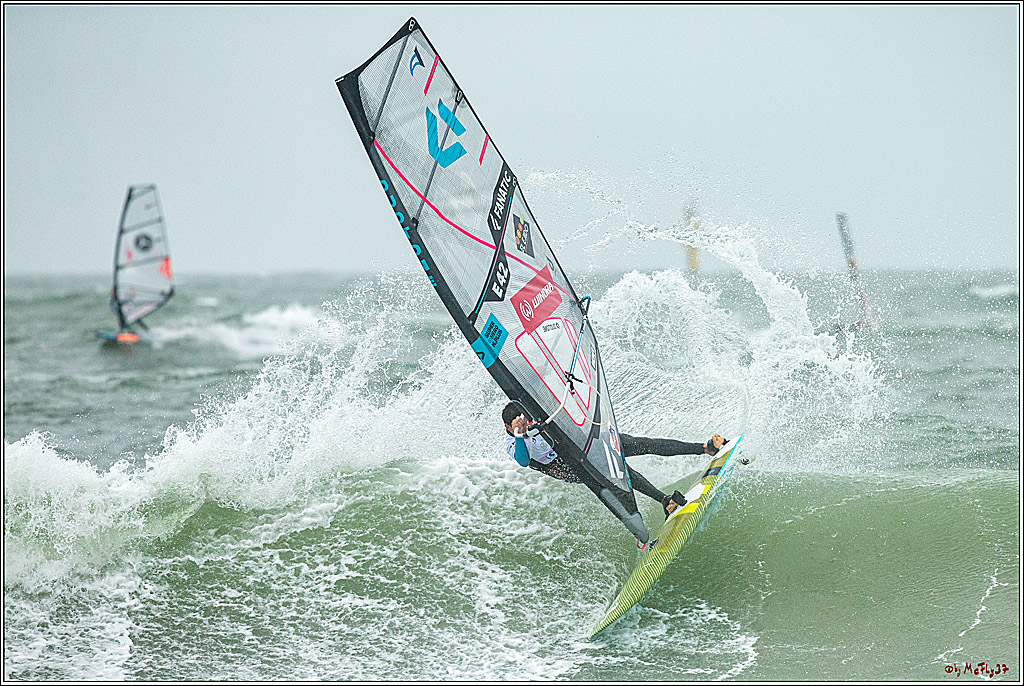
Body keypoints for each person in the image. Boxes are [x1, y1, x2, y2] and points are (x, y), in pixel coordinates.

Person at [501, 401, 726, 519]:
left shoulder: (539, 418)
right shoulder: (514, 444)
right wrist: (520, 434)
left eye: (525, 420)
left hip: (587, 444)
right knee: (622, 471)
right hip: (570, 467)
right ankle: (665, 501)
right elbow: (522, 461)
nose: (525, 424)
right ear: (508, 427)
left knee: (642, 444)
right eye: (518, 424)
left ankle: (704, 448)